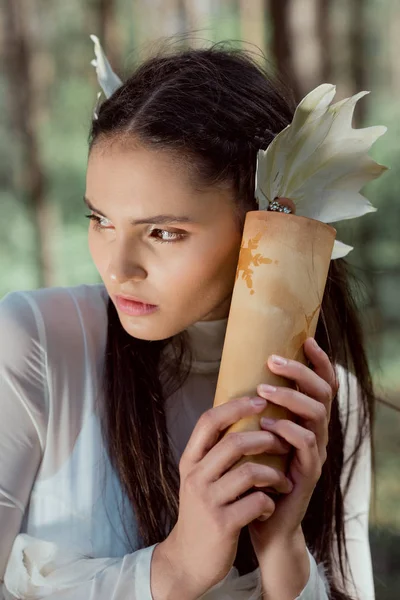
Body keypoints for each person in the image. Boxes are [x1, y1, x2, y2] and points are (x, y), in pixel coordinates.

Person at [0, 44, 375, 600]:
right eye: (99, 219)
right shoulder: (35, 342)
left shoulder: (323, 404)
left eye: (163, 232)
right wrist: (173, 570)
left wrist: (282, 548)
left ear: (264, 224)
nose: (117, 267)